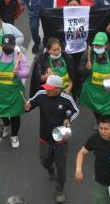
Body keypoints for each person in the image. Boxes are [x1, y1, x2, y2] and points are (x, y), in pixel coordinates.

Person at [25, 75, 80, 203]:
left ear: (59, 89)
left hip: (61, 138)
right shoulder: (41, 94)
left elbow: (76, 111)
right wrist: (27, 107)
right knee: (45, 161)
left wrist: (69, 120)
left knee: (61, 166)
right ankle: (50, 168)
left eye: (50, 88)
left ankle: (59, 190)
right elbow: (30, 103)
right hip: (45, 136)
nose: (47, 90)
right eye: (46, 87)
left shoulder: (67, 99)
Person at [0, 34, 29, 148]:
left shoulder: (19, 56)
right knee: (0, 112)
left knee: (15, 115)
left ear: (14, 45)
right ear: (1, 45)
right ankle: (6, 125)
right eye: (4, 46)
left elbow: (27, 72)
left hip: (14, 93)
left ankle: (14, 135)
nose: (7, 49)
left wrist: (19, 73)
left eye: (9, 46)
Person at [79, 32, 110, 123]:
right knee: (95, 107)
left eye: (100, 45)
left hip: (108, 86)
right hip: (93, 88)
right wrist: (86, 68)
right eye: (96, 45)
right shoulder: (88, 53)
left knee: (107, 109)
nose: (98, 47)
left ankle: (105, 124)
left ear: (106, 45)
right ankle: (98, 121)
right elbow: (79, 71)